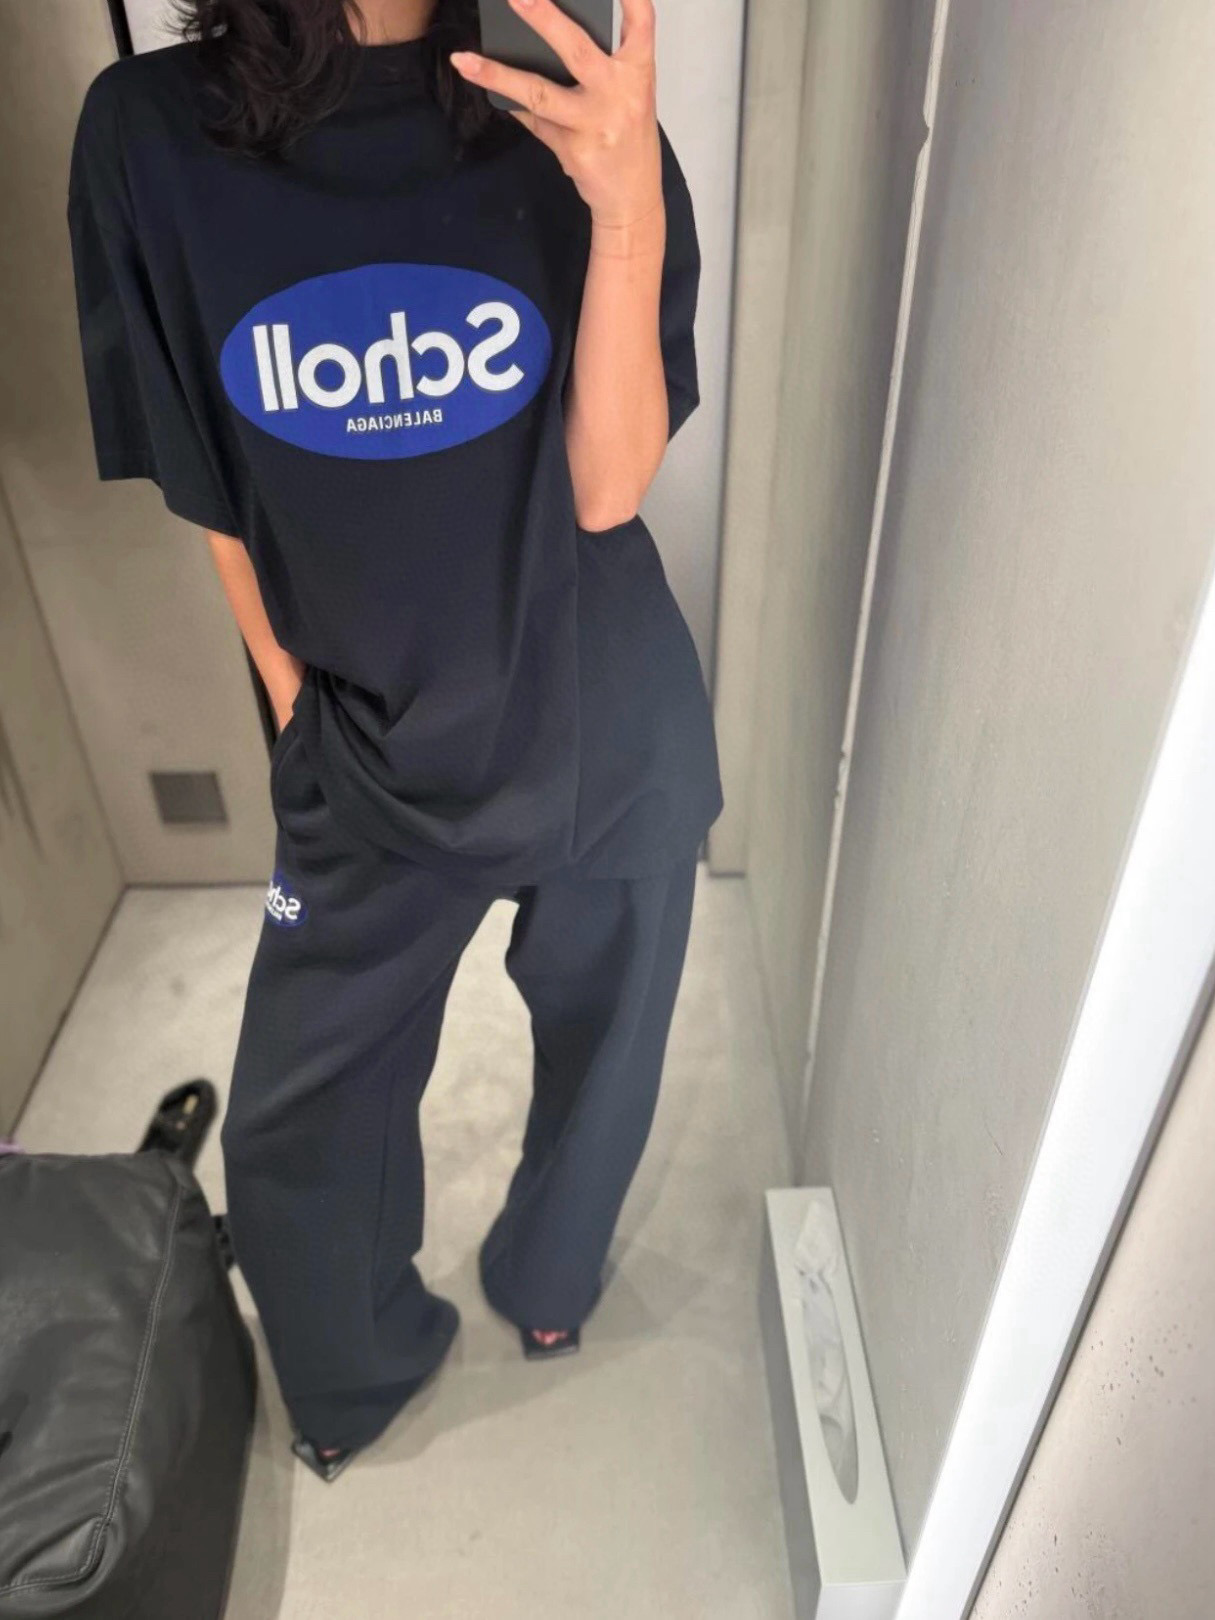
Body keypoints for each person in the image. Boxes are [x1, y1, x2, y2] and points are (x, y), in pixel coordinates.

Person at [67, 0, 722, 1482]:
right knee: (296, 1129)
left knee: (607, 1050)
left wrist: (627, 208)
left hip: (598, 713)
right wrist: (292, 703)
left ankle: (549, 1281)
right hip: (363, 744)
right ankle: (355, 1369)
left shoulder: (567, 99)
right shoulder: (148, 136)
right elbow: (203, 472)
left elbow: (609, 488)